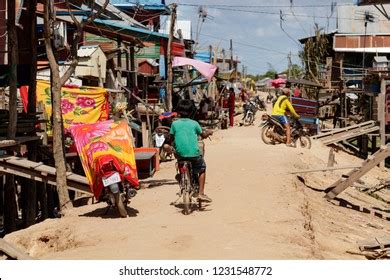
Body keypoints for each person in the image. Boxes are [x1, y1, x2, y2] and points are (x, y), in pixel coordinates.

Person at [170, 99, 213, 202]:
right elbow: (202, 134)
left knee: (180, 163)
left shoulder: (174, 124)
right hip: (194, 155)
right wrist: (209, 133)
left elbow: (171, 137)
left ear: (178, 112)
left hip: (180, 155)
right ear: (192, 111)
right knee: (202, 168)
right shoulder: (194, 123)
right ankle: (201, 193)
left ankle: (181, 178)